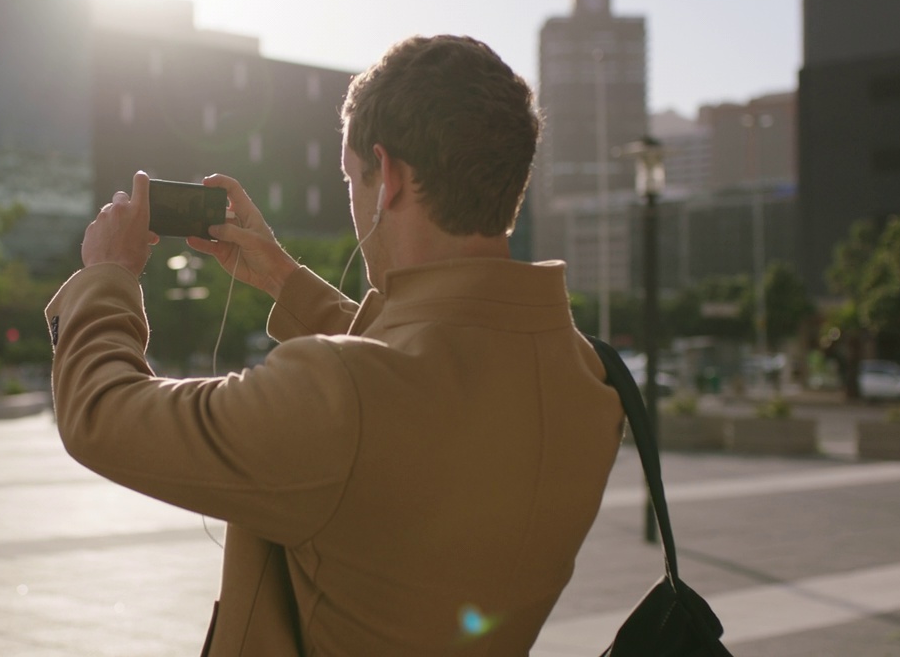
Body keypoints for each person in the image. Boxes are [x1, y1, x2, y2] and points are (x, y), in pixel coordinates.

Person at [46, 35, 624, 656]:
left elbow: (102, 415)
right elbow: (425, 381)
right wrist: (281, 279)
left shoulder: (344, 396)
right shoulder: (590, 381)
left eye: (352, 178)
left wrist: (108, 276)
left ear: (390, 176)